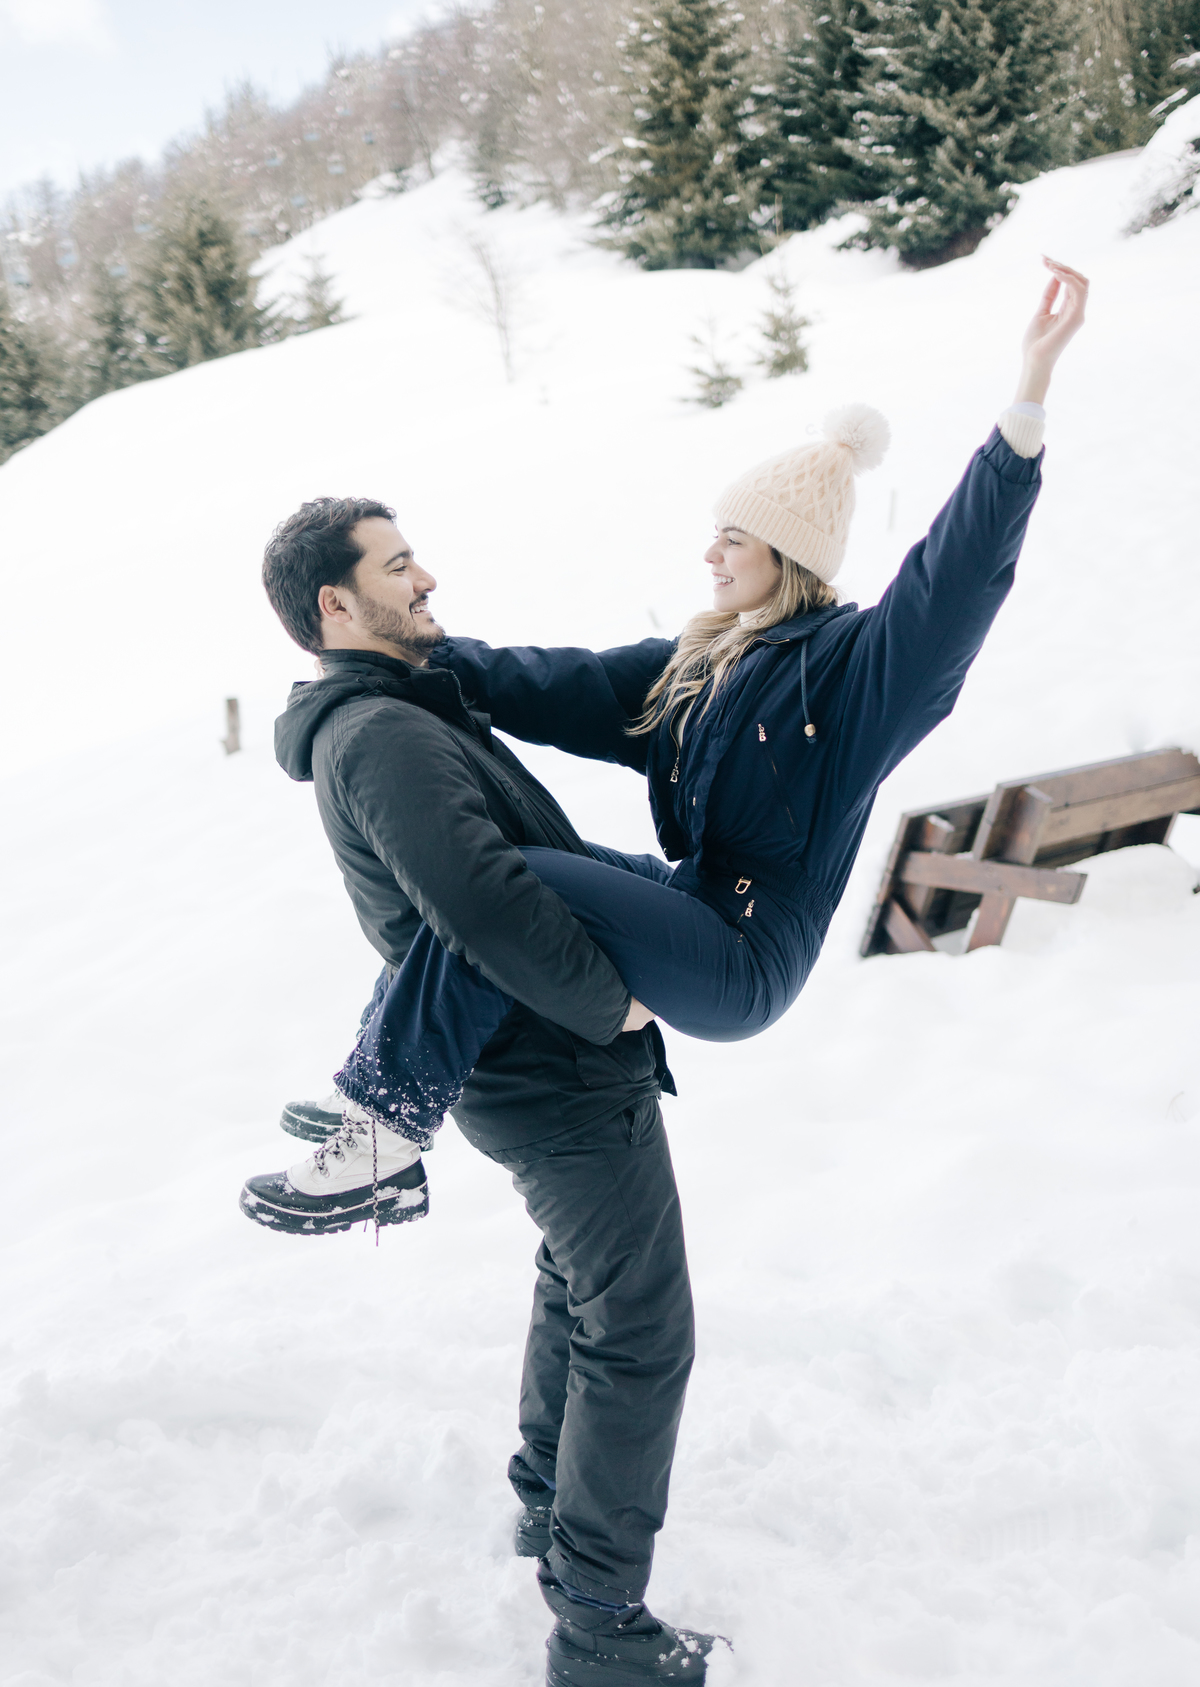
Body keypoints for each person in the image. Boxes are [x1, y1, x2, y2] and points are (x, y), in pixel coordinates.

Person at [247, 256, 1088, 1232]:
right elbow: (561, 683)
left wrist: (1024, 409)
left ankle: (384, 1126)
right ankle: (378, 1079)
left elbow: (955, 583)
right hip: (695, 903)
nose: (710, 554)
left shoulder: (857, 676)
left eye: (734, 538)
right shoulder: (706, 664)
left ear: (785, 557)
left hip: (744, 957)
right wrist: (396, 661)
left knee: (512, 876)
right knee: (497, 872)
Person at [248, 492, 717, 1687]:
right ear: (336, 604)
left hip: (532, 1064)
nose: (427, 580)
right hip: (552, 1067)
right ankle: (600, 1626)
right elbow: (483, 903)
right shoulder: (380, 734)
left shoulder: (401, 711)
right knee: (640, 1327)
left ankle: (548, 1505)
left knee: (582, 1284)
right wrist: (611, 1004)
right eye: (398, 566)